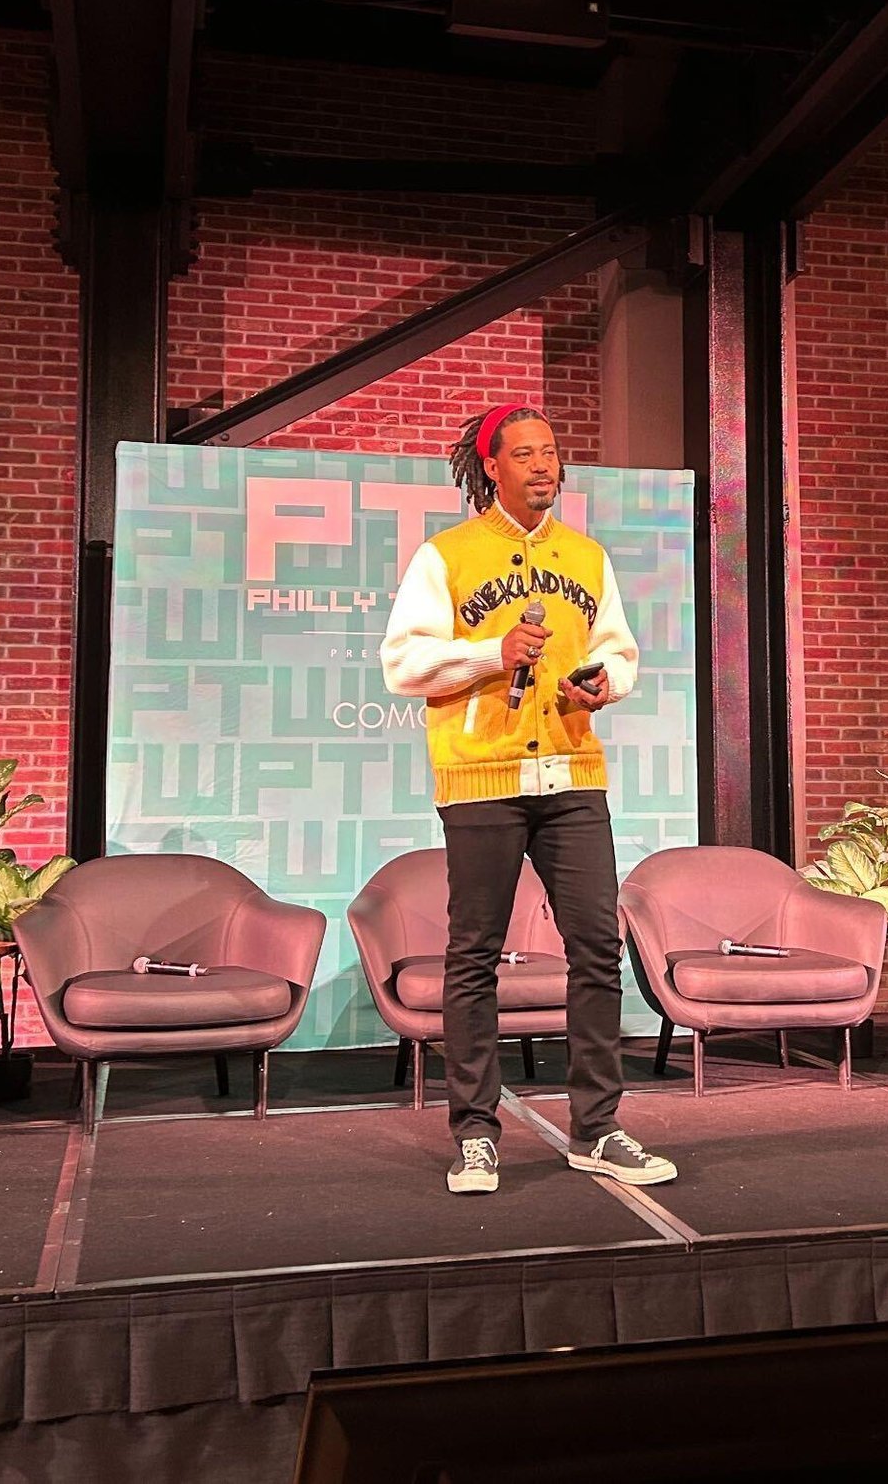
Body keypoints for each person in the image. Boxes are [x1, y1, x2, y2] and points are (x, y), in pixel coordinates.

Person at [381, 403, 677, 1195]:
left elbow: (620, 649)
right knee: (473, 955)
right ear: (492, 468)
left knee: (595, 947)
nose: (544, 466)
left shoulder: (585, 556)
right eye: (525, 454)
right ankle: (476, 1133)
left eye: (551, 453)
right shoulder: (445, 557)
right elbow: (402, 666)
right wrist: (490, 653)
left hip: (575, 775)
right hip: (484, 777)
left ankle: (598, 1127)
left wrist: (602, 683)